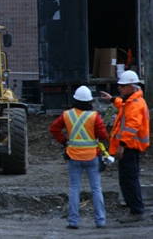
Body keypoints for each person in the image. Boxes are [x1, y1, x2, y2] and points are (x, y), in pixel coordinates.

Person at [49, 85, 108, 229]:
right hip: (91, 157)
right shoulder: (94, 116)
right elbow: (103, 136)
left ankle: (73, 222)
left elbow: (54, 128)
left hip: (73, 156)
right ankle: (100, 221)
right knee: (96, 189)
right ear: (89, 101)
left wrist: (64, 141)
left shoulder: (67, 115)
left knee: (74, 189)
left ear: (75, 99)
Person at [100, 70, 150, 223]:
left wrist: (121, 145)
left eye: (122, 86)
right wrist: (112, 99)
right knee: (129, 179)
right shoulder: (132, 101)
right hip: (131, 147)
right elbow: (122, 104)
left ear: (131, 87)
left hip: (129, 148)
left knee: (128, 180)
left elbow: (130, 127)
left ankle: (136, 211)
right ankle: (136, 209)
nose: (119, 88)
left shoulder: (134, 104)